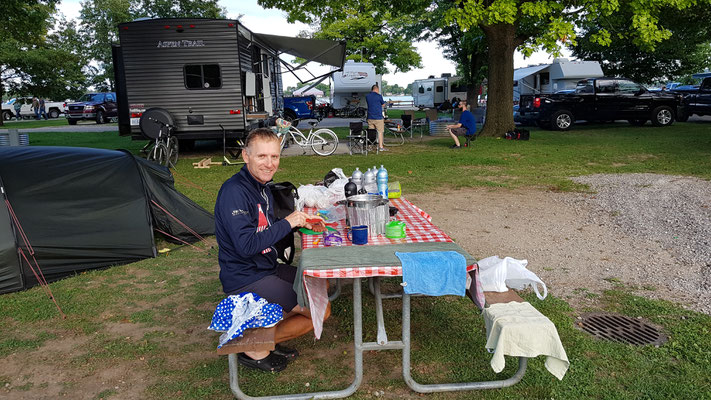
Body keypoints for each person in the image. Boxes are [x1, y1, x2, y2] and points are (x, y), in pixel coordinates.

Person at [214, 127, 330, 372]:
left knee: (316, 281)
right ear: (246, 156)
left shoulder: (262, 186)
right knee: (320, 310)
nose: (269, 164)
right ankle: (252, 345)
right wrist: (289, 222)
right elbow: (246, 246)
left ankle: (262, 330)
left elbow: (265, 228)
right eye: (261, 156)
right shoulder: (235, 192)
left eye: (274, 157)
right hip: (246, 276)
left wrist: (300, 225)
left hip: (266, 266)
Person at [365, 84, 388, 152]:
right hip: (378, 117)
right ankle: (380, 147)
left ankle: (370, 146)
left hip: (370, 117)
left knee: (371, 132)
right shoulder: (379, 96)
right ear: (376, 89)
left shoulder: (367, 96)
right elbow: (383, 104)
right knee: (380, 132)